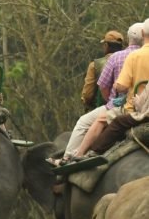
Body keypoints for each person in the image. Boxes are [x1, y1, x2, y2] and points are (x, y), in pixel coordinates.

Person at [49, 23, 144, 165]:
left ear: (105, 46)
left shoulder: (108, 60)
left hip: (121, 106)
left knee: (83, 122)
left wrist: (108, 100)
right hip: (143, 105)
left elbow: (97, 90)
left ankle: (68, 158)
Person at [72, 18, 149, 158]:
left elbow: (97, 91)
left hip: (130, 107)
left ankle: (78, 155)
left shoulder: (128, 57)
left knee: (91, 121)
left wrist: (112, 95)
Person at [81, 30, 124, 112]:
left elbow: (87, 95)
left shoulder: (94, 65)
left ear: (106, 45)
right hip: (124, 108)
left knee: (81, 123)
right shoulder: (129, 62)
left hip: (102, 109)